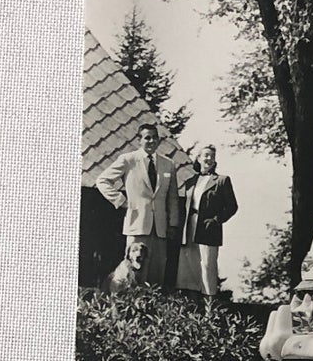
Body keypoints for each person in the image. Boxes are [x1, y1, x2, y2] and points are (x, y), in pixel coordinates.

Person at [95, 122, 180, 287]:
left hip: (161, 230)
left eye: (155, 138)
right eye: (147, 138)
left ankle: (151, 310)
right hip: (137, 224)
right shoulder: (128, 160)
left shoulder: (168, 164)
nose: (151, 141)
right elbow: (102, 180)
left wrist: (173, 224)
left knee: (156, 276)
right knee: (133, 276)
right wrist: (122, 201)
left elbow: (173, 198)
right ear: (139, 140)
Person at [178, 142, 238, 299]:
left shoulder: (222, 181)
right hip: (190, 225)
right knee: (188, 265)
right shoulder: (190, 182)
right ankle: (191, 305)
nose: (209, 159)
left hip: (208, 228)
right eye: (206, 155)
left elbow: (232, 207)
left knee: (207, 266)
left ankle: (209, 308)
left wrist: (216, 220)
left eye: (212, 156)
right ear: (198, 158)